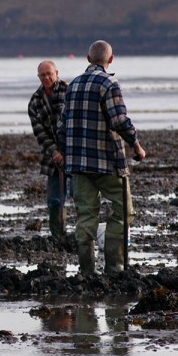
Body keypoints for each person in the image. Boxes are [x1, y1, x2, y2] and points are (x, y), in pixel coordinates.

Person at [57, 41, 145, 275]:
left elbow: (61, 127)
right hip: (107, 162)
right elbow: (119, 121)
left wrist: (67, 153)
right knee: (123, 212)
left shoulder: (73, 85)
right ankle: (114, 268)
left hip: (78, 165)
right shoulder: (109, 83)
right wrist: (136, 145)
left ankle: (86, 270)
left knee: (86, 215)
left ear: (87, 58)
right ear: (111, 60)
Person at [28, 60, 69, 244]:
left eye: (49, 74)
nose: (46, 77)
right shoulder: (35, 101)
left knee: (81, 196)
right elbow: (40, 133)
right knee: (54, 200)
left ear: (56, 73)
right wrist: (55, 152)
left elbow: (75, 123)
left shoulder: (69, 92)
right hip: (52, 158)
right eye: (42, 75)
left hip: (74, 154)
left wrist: (66, 151)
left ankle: (85, 236)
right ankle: (58, 236)